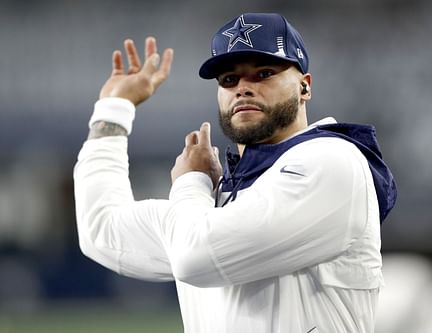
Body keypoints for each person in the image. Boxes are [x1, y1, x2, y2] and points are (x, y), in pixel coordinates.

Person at [74, 13, 397, 333]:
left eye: (264, 73)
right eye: (229, 80)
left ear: (304, 87)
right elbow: (101, 230)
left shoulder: (331, 160)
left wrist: (191, 181)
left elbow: (196, 256)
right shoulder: (214, 201)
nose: (242, 88)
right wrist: (113, 110)